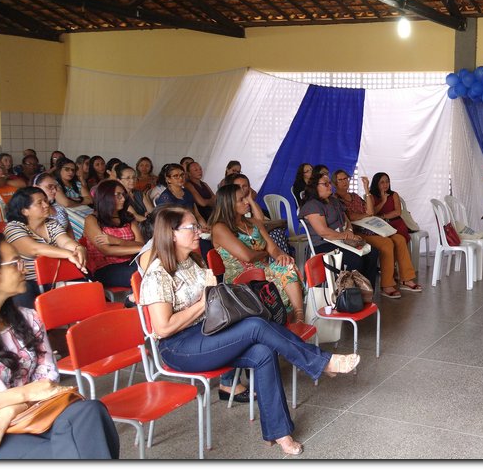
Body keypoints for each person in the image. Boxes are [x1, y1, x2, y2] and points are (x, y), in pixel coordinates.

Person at [138, 206, 360, 455]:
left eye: (196, 226)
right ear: (171, 234)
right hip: (179, 347)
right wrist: (202, 302)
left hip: (206, 332)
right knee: (254, 326)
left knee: (263, 351)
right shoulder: (158, 274)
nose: (198, 231)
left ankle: (280, 433)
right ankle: (321, 362)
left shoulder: (191, 261)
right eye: (192, 227)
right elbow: (163, 328)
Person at [0, 233, 120, 459]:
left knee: (91, 412)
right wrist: (24, 394)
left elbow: (47, 381)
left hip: (31, 413)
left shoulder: (28, 319)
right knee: (73, 450)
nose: (25, 268)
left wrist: (10, 409)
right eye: (16, 263)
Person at [210, 184, 305, 321]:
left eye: (245, 198)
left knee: (287, 265)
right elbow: (248, 257)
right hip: (241, 279)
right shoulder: (220, 228)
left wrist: (280, 255)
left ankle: (299, 317)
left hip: (263, 271)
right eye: (241, 199)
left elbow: (272, 248)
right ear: (229, 204)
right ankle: (286, 318)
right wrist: (264, 253)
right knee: (283, 274)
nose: (247, 202)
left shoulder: (253, 223)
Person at [333, 170, 421, 298]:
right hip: (358, 232)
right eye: (341, 179)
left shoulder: (354, 196)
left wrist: (366, 190)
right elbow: (351, 217)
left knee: (400, 239)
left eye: (346, 178)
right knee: (387, 244)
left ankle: (406, 278)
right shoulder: (336, 199)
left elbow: (370, 211)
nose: (345, 181)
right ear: (335, 182)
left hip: (372, 227)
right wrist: (366, 215)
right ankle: (387, 285)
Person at [3, 187, 88, 309]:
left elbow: (65, 241)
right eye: (39, 203)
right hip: (27, 281)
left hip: (53, 278)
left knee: (84, 293)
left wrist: (78, 248)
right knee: (27, 308)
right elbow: (34, 249)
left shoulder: (51, 224)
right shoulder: (13, 228)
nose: (46, 205)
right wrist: (68, 254)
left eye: (45, 201)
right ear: (24, 211)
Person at [299, 173, 379, 290]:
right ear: (315, 187)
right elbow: (323, 232)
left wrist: (350, 231)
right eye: (325, 184)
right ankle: (350, 295)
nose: (329, 186)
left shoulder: (334, 201)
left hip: (342, 239)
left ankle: (366, 292)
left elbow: (346, 220)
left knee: (373, 252)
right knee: (356, 260)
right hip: (324, 244)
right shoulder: (312, 206)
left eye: (329, 183)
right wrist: (345, 236)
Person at [83, 179, 143, 289]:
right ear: (105, 197)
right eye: (118, 195)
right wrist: (141, 249)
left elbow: (141, 243)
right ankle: (132, 299)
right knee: (145, 273)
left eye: (123, 195)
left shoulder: (128, 217)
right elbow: (106, 250)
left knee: (155, 267)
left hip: (130, 262)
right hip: (106, 268)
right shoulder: (92, 219)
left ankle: (134, 299)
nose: (123, 199)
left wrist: (117, 241)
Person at [227, 172, 293, 257]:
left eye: (245, 186)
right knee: (275, 235)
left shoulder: (247, 203)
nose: (242, 189)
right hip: (252, 256)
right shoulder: (223, 226)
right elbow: (248, 257)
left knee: (277, 234)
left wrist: (250, 199)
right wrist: (265, 253)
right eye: (238, 186)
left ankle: (282, 261)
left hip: (261, 240)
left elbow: (259, 221)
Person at [154, 163, 210, 230]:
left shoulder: (187, 192)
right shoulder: (166, 197)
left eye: (182, 175)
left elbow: (197, 214)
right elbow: (168, 222)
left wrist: (204, 226)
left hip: (193, 227)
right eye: (175, 176)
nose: (180, 178)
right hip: (178, 230)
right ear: (168, 179)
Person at [368, 172, 411, 244]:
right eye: (382, 182)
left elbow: (398, 212)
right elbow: (372, 213)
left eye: (387, 181)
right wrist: (383, 201)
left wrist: (382, 216)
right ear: (376, 183)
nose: (385, 184)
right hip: (381, 225)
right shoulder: (371, 196)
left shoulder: (394, 194)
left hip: (397, 223)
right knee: (386, 243)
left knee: (400, 242)